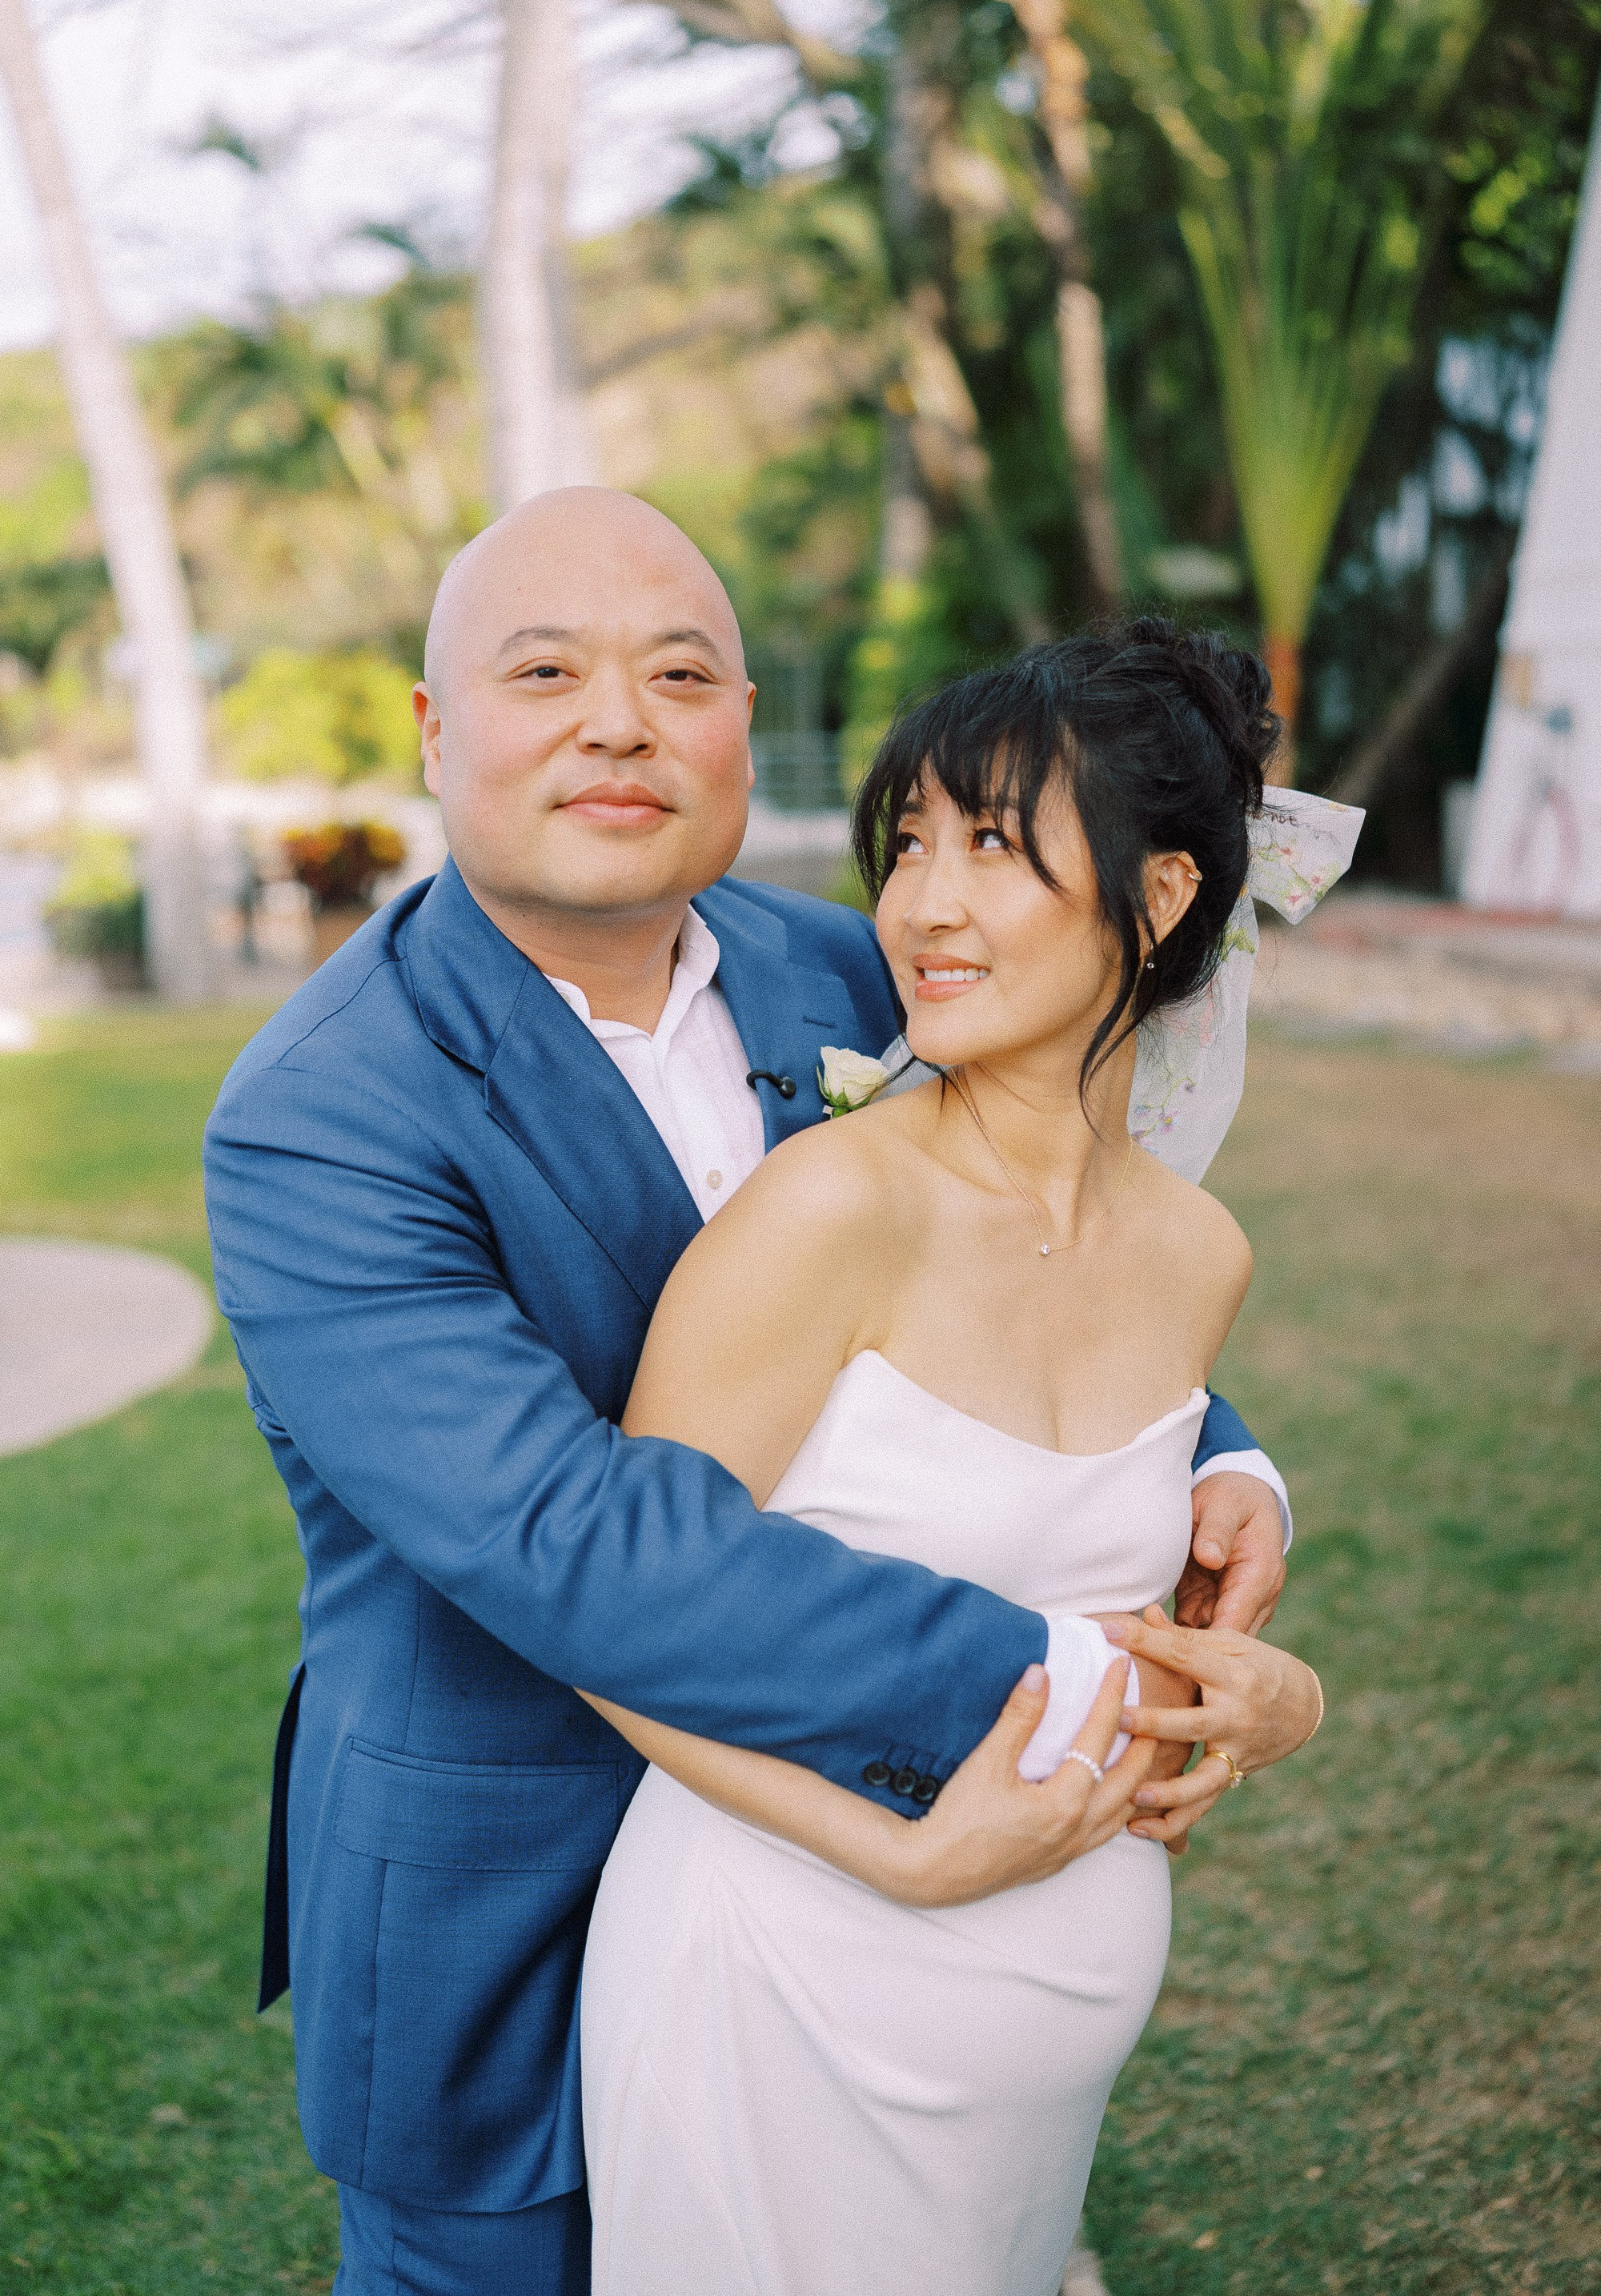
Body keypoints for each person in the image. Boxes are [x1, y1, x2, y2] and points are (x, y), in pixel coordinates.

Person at [203, 490, 1304, 2296]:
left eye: (682, 672)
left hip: (871, 1939)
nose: (619, 718)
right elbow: (572, 1540)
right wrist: (1088, 1681)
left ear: (738, 722)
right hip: (509, 1900)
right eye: (545, 669)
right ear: (432, 729)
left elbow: (1026, 1234)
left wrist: (1224, 1459)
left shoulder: (849, 962)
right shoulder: (323, 1112)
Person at [578, 620, 1326, 2294]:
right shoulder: (828, 1210)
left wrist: (1276, 1690)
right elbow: (609, 1623)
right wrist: (894, 1855)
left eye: (994, 844)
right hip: (776, 1986)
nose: (921, 904)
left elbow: (1109, 1598)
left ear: (1160, 900)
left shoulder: (1200, 1254)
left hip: (1054, 2020)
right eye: (908, 843)